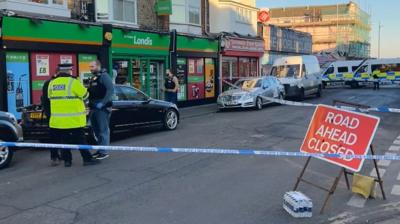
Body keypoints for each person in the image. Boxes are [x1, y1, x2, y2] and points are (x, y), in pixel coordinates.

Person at [48, 63, 100, 167]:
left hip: (59, 121)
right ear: (69, 71)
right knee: (81, 140)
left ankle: (67, 161)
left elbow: (50, 97)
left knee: (64, 142)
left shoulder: (52, 83)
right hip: (74, 120)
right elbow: (86, 95)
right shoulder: (73, 82)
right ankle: (87, 159)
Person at [88, 60, 114, 160]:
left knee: (103, 130)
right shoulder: (94, 77)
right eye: (90, 67)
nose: (91, 68)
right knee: (97, 130)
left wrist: (103, 103)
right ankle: (100, 150)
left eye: (93, 66)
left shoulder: (104, 76)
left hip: (102, 107)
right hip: (94, 107)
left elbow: (110, 90)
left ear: (98, 66)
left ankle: (104, 151)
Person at [41, 69, 61, 166]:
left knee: (55, 136)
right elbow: (46, 100)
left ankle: (56, 156)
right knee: (56, 136)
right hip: (54, 115)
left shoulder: (48, 83)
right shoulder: (50, 83)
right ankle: (55, 156)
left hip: (54, 115)